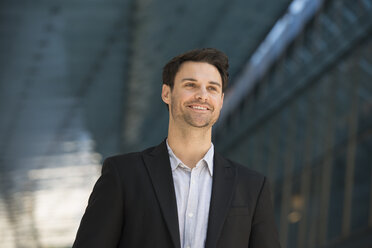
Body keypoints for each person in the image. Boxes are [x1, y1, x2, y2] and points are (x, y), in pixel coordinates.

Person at [72, 48, 280, 248]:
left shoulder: (252, 186)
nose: (202, 95)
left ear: (221, 100)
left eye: (212, 88)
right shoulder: (123, 174)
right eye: (191, 85)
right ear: (166, 93)